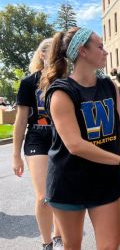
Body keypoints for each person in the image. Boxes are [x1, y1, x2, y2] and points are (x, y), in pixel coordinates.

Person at [41, 27, 120, 250]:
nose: (106, 52)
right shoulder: (61, 92)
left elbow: (118, 125)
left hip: (105, 178)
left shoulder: (109, 86)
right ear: (82, 51)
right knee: (73, 245)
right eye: (100, 47)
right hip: (69, 181)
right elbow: (75, 145)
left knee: (111, 245)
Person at [12, 38, 63, 250]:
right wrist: (15, 155)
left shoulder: (65, 81)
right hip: (37, 137)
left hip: (61, 136)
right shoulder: (28, 83)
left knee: (60, 192)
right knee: (44, 195)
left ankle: (59, 236)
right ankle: (47, 243)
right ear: (42, 55)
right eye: (52, 51)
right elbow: (21, 120)